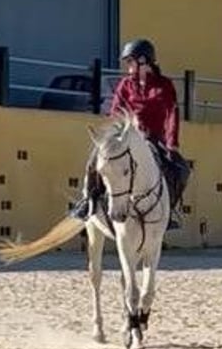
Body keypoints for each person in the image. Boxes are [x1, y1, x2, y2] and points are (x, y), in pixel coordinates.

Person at [70, 38, 191, 229]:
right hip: (126, 137)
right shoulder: (125, 85)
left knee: (182, 169)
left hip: (153, 138)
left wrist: (171, 143)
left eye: (130, 62)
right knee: (94, 159)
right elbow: (115, 112)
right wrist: (110, 138)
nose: (128, 67)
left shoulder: (164, 85)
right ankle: (88, 201)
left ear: (144, 61)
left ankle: (168, 211)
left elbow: (172, 114)